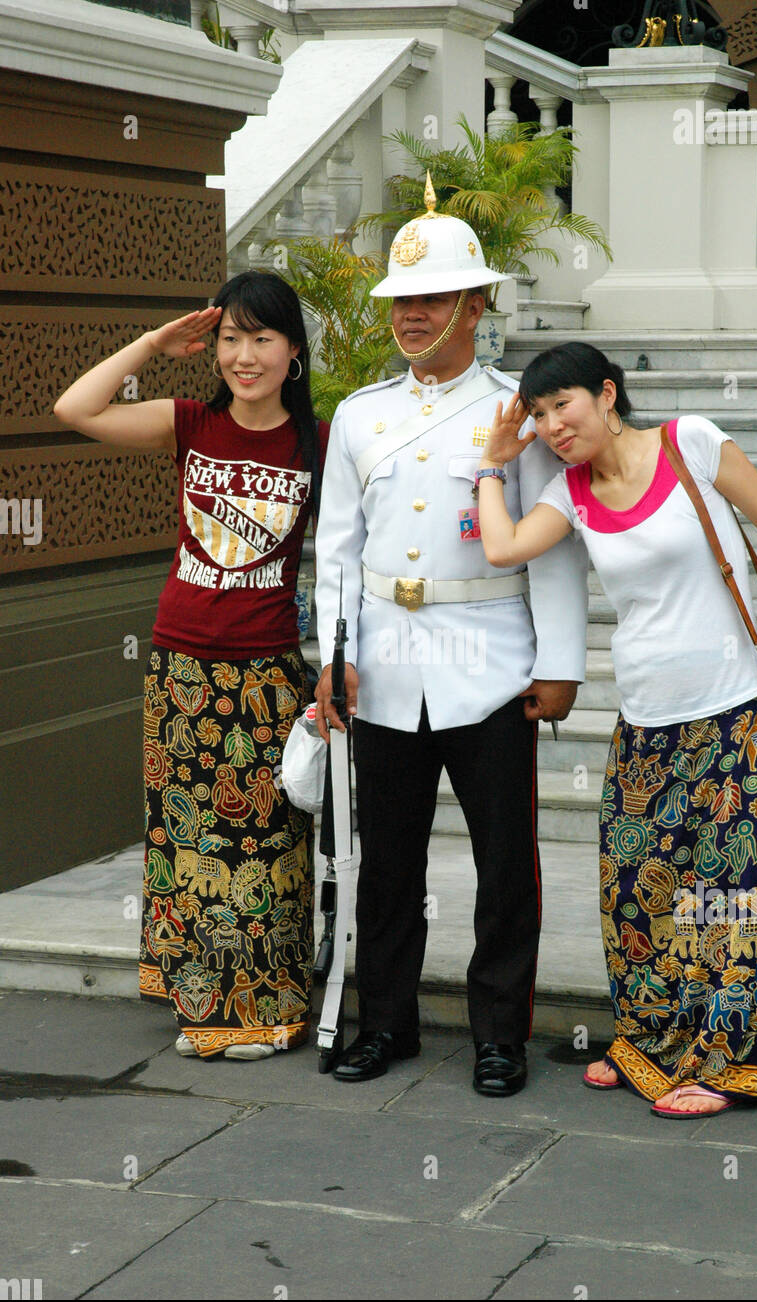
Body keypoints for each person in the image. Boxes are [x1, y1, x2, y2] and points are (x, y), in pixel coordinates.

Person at [476, 341, 757, 1116]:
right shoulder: (569, 492)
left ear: (606, 394)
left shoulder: (689, 443)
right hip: (644, 721)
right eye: (538, 414)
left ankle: (737, 1062)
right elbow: (501, 549)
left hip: (730, 707)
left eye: (562, 404)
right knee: (637, 890)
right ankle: (658, 1042)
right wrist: (494, 466)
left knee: (734, 894)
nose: (553, 424)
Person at [314, 178, 588, 1096]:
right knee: (386, 860)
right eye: (401, 301)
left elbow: (550, 554)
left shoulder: (520, 410)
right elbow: (339, 553)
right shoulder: (360, 414)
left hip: (492, 660)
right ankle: (384, 1023)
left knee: (505, 861)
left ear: (478, 304)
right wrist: (336, 656)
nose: (411, 316)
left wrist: (560, 665)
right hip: (385, 665)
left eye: (433, 299)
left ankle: (500, 1035)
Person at [53, 271, 328, 1060]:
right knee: (189, 841)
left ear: (293, 352)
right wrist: (150, 345)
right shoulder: (188, 423)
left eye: (263, 339)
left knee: (266, 845)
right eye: (231, 339)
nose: (245, 356)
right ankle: (202, 996)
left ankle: (268, 1007)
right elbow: (76, 409)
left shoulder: (319, 441)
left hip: (266, 672)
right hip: (180, 669)